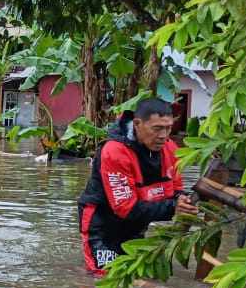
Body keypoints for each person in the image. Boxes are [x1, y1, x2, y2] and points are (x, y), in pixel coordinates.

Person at [77, 97, 199, 277]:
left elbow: (175, 190)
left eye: (168, 128)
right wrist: (173, 206)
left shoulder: (170, 148)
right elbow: (125, 208)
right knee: (108, 278)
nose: (164, 136)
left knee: (138, 275)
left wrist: (181, 201)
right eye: (157, 129)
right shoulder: (115, 151)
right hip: (102, 224)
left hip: (136, 225)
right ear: (137, 124)